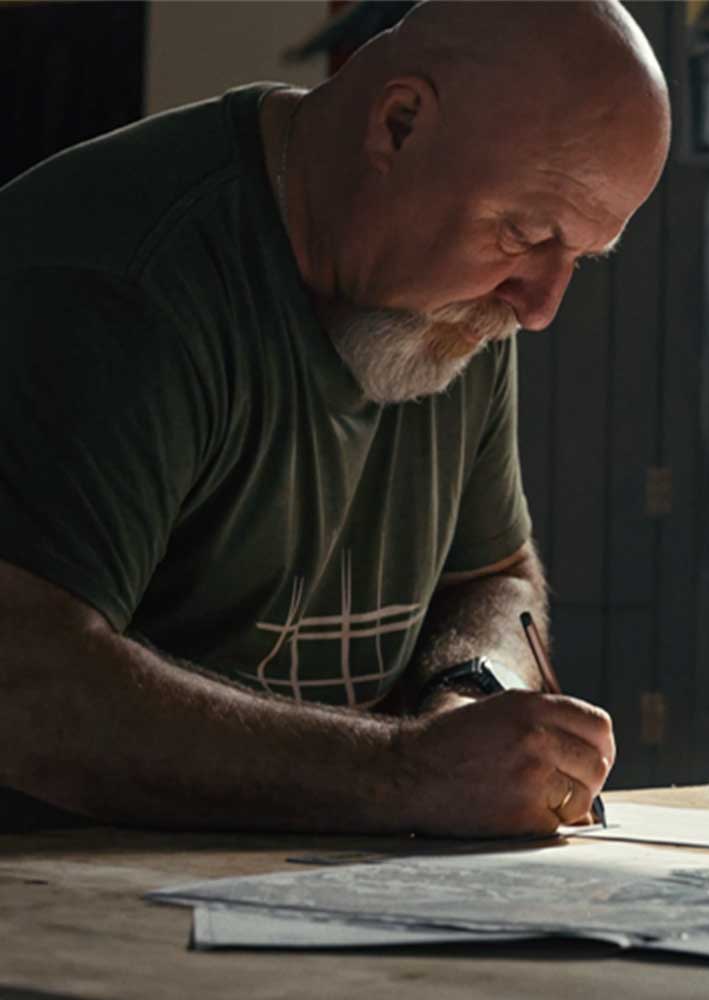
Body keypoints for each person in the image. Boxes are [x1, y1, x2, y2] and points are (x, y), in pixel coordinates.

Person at [0, 1, 670, 836]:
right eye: (528, 231)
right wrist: (400, 775)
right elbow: (26, 685)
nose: (541, 306)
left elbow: (494, 578)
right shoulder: (124, 285)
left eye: (577, 255)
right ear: (398, 125)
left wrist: (469, 693)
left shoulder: (465, 300)